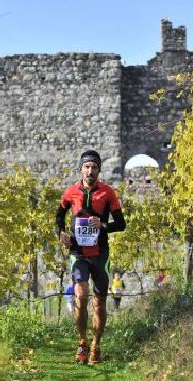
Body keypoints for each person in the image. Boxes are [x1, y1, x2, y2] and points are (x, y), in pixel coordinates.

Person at [56, 150, 126, 364]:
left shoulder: (108, 193)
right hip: (78, 252)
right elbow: (59, 215)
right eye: (87, 167)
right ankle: (82, 342)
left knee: (100, 303)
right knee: (80, 293)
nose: (90, 171)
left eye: (94, 167)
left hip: (100, 254)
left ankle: (96, 344)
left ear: (99, 170)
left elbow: (121, 224)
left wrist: (102, 225)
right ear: (81, 169)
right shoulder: (70, 192)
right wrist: (61, 233)